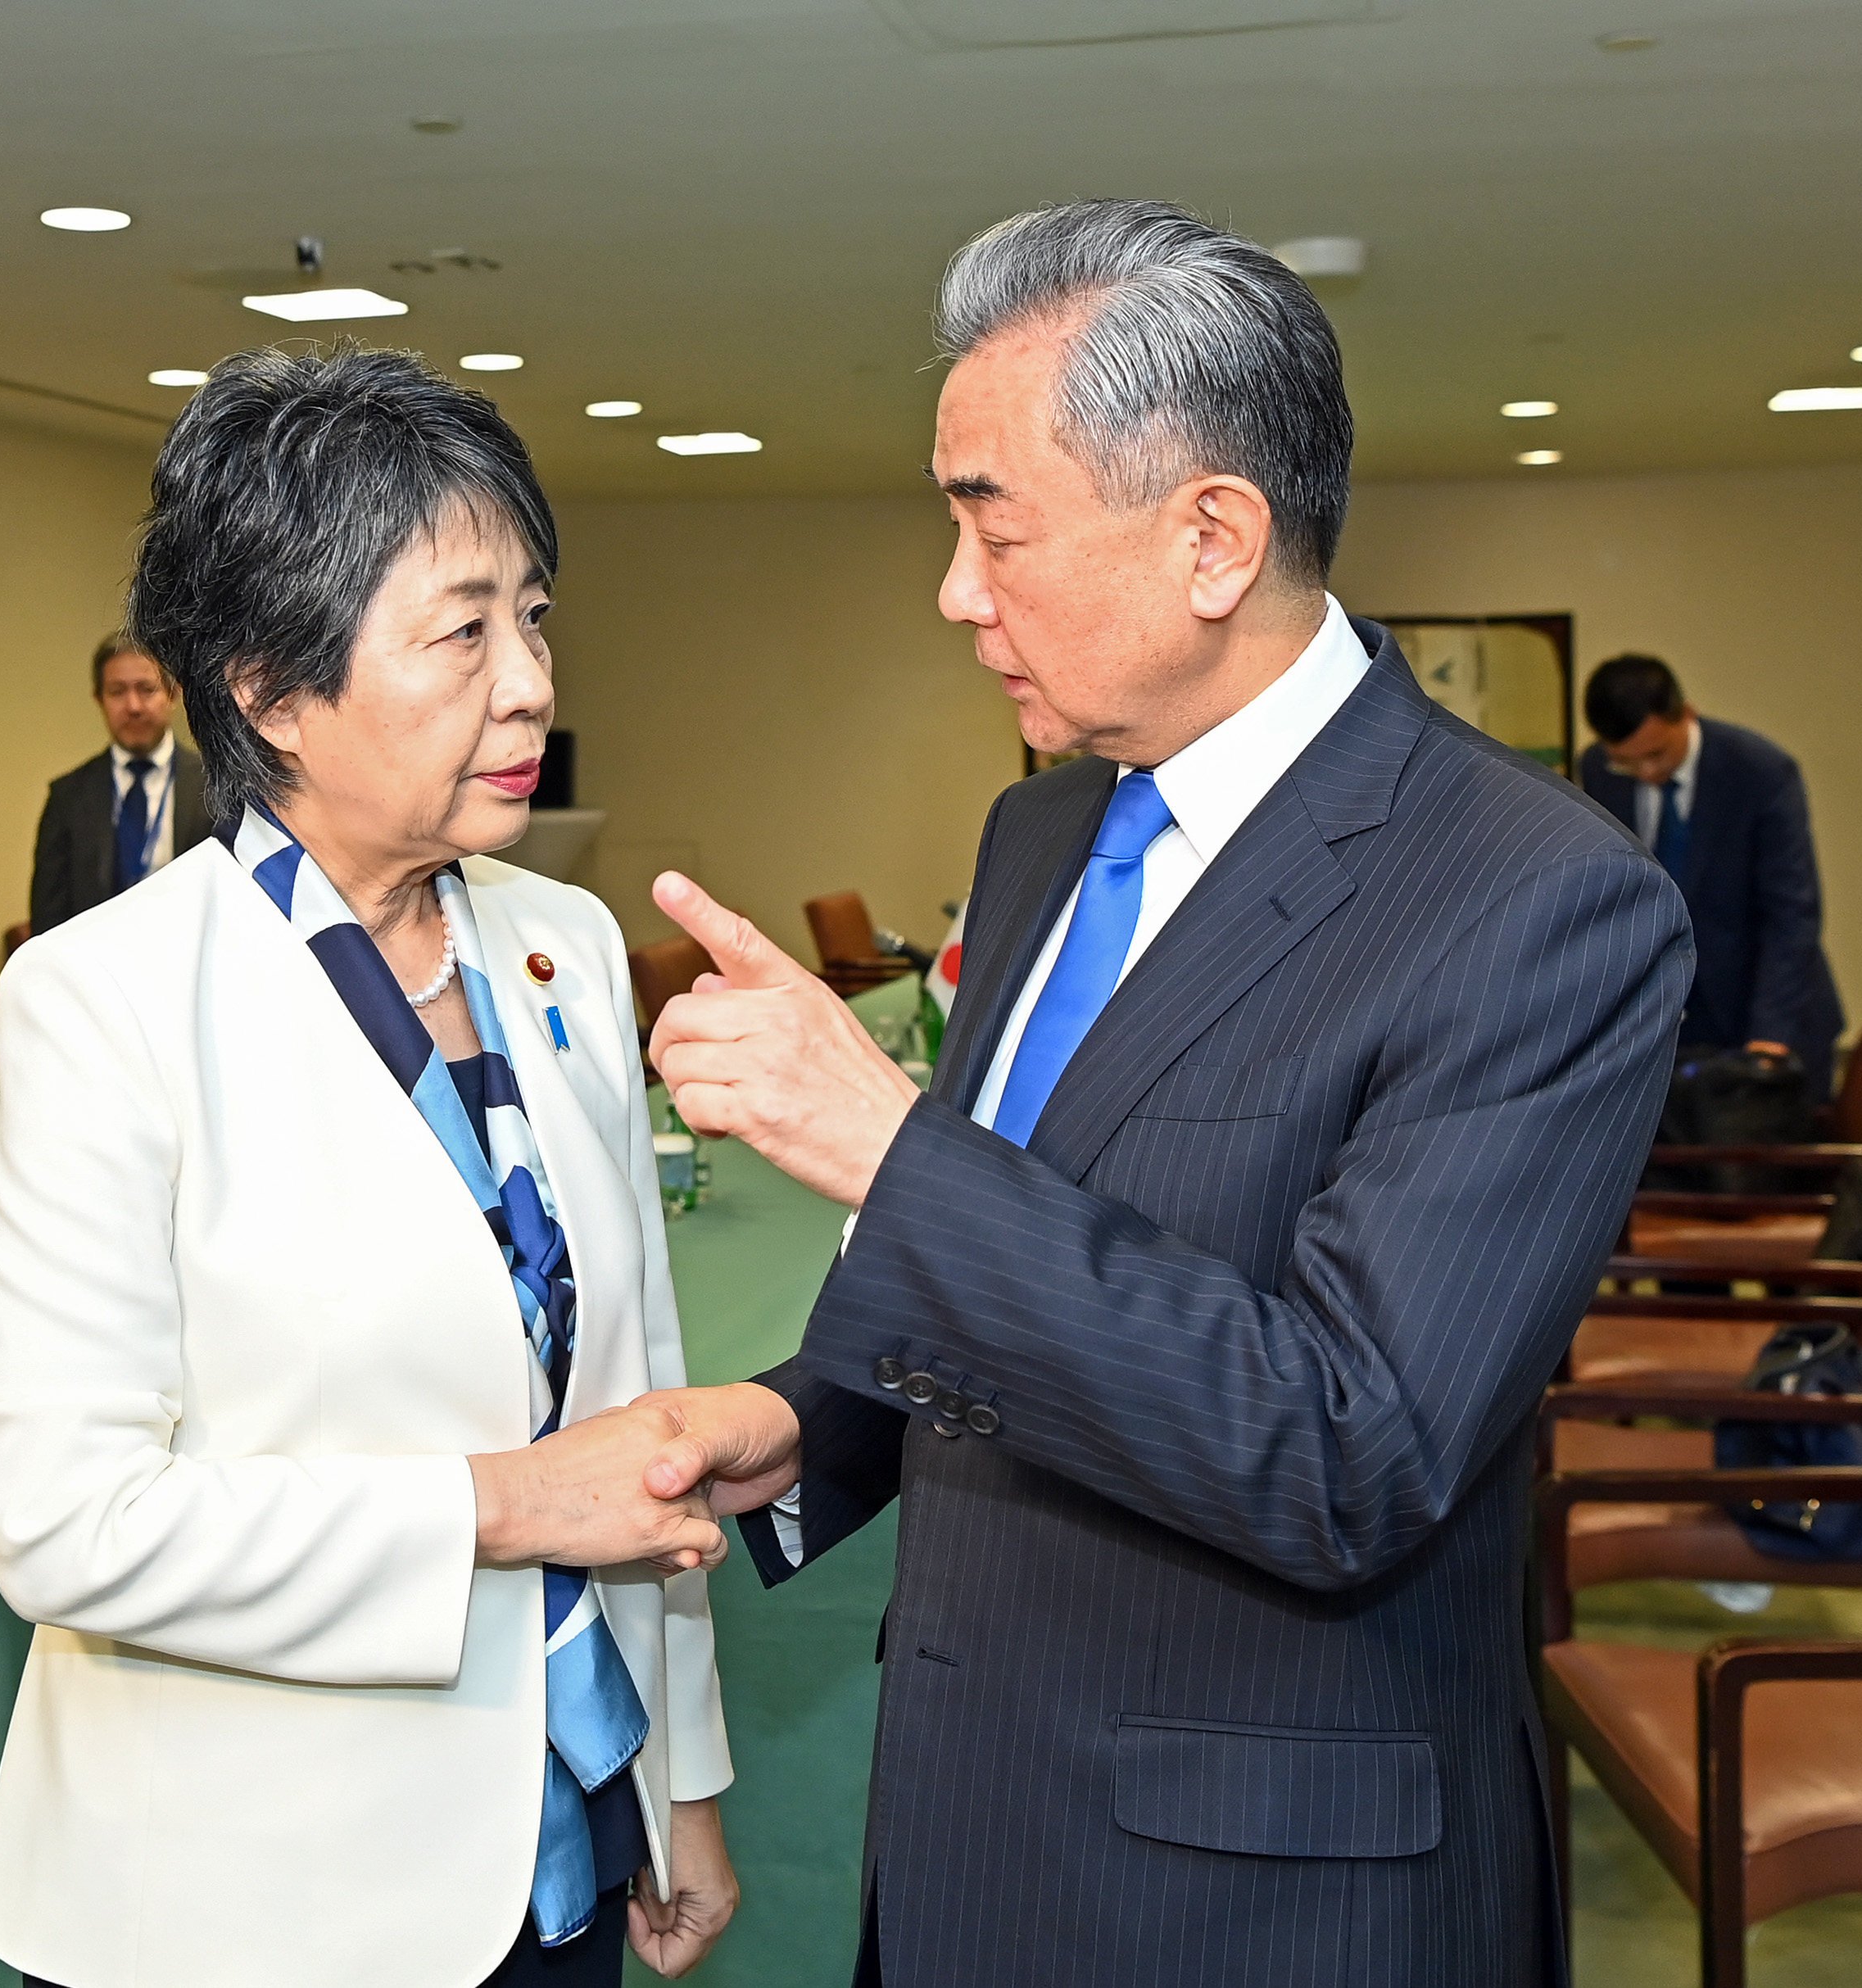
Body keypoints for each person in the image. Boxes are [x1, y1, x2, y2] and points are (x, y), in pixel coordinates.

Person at [632, 202, 1692, 1988]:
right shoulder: (1042, 824)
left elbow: (1350, 1446)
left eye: (991, 521)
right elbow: (1031, 1272)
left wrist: (884, 1148)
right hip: (973, 1816)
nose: (953, 589)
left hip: (1264, 1893)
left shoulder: (1534, 901)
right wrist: (809, 1424)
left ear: (1211, 537)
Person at [0, 347, 738, 1988]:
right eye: (460, 632)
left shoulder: (563, 946)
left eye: (532, 615)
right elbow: (65, 1523)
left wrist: (678, 1776)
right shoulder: (103, 1000)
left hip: (563, 1835)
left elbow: (635, 1399)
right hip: (246, 1901)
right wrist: (503, 1506)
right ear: (265, 687)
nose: (527, 681)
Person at [1578, 651, 1843, 1101]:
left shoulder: (1760, 773)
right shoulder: (1600, 771)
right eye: (1627, 762)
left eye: (1657, 755)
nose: (1646, 772)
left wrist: (1769, 1037)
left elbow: (1790, 914)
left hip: (1764, 1013)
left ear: (1686, 714)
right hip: (1675, 1024)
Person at [26, 633, 213, 936]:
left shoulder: (213, 788)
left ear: (173, 693)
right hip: (93, 972)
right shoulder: (68, 797)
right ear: (99, 700)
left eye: (146, 689)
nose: (134, 706)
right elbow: (48, 923)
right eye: (117, 691)